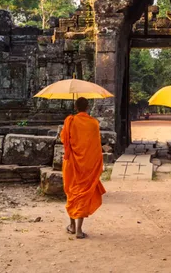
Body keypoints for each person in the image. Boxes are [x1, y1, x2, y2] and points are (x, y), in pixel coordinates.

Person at [61, 97, 106, 239]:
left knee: (72, 192)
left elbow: (64, 140)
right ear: (88, 107)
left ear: (75, 106)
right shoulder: (94, 123)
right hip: (88, 165)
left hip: (72, 164)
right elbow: (96, 146)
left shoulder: (70, 121)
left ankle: (72, 225)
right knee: (83, 194)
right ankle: (79, 229)